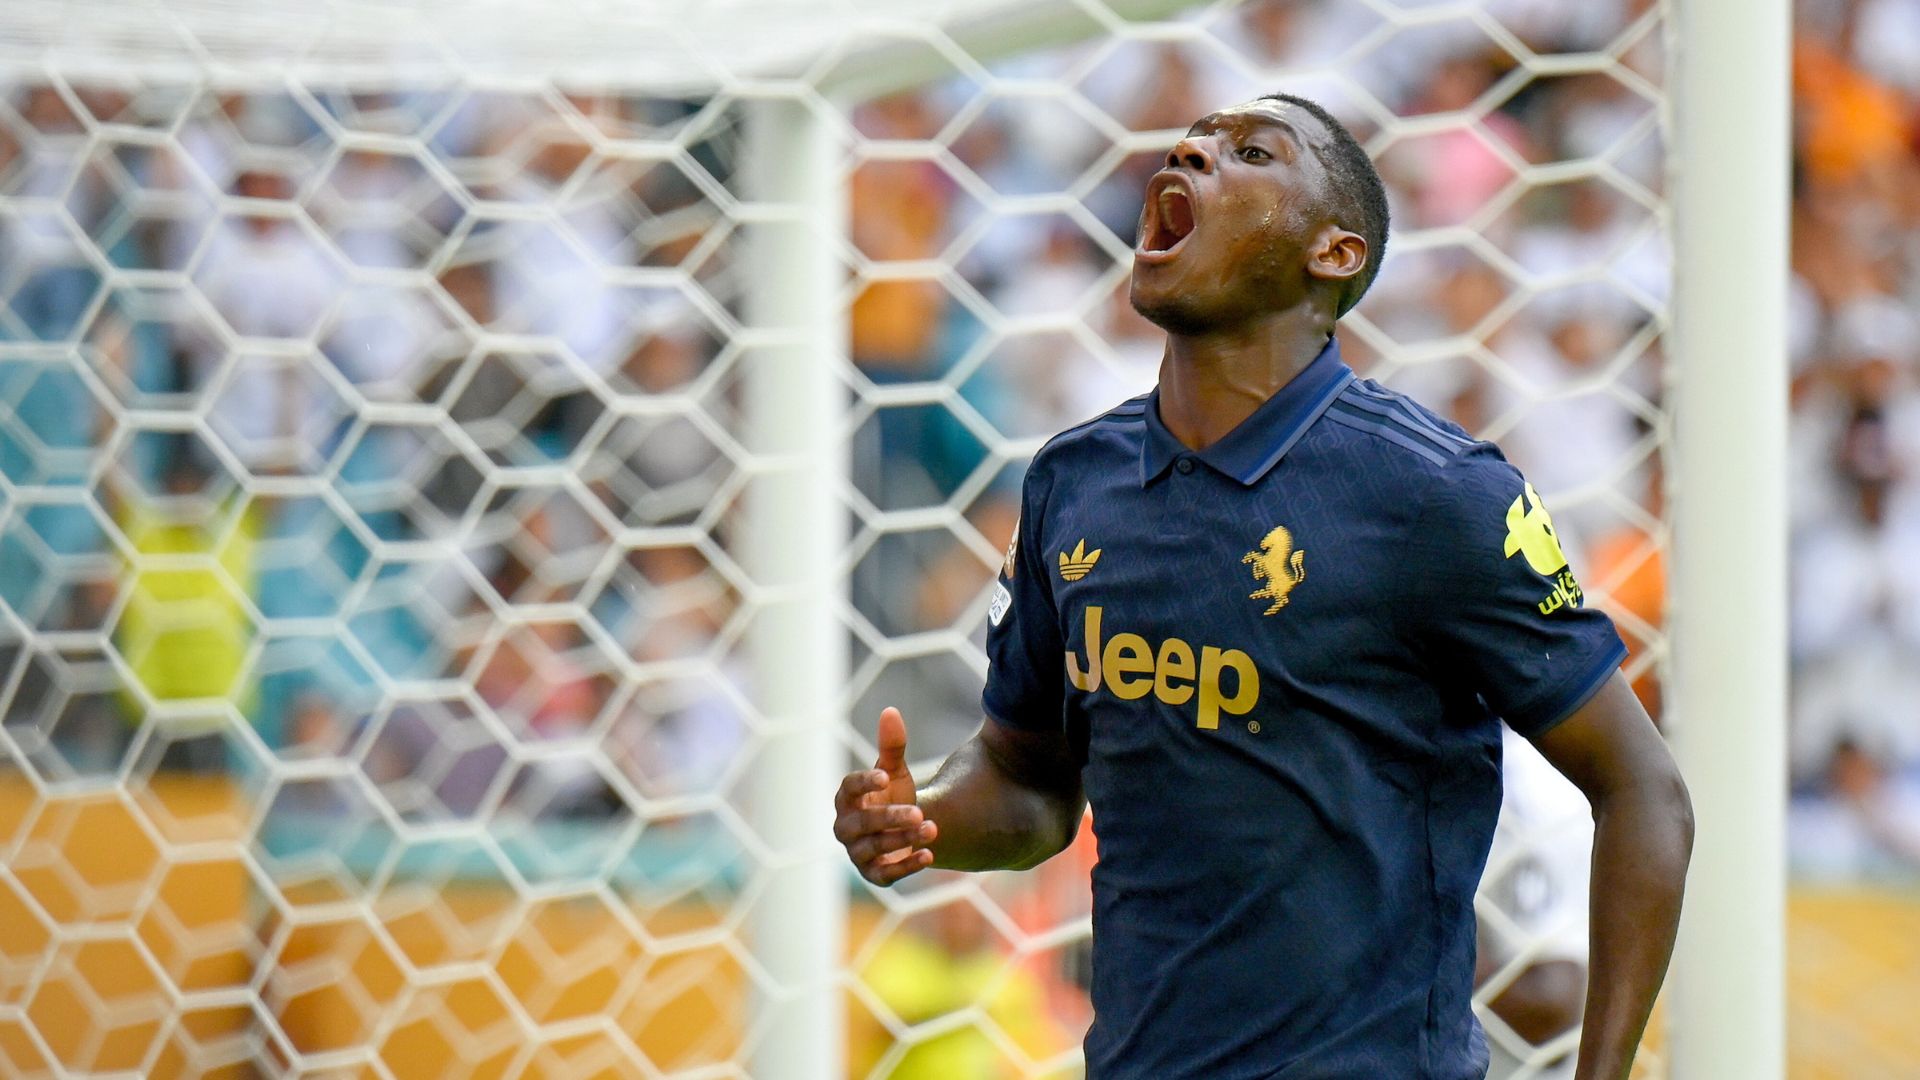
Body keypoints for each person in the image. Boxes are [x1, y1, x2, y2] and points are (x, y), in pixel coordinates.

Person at [832, 94, 1693, 1079]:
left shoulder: (1437, 496)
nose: (1193, 153)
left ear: (1333, 254)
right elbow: (1030, 781)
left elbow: (1644, 790)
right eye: (1190, 143)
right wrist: (928, 816)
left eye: (1250, 153)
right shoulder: (1075, 482)